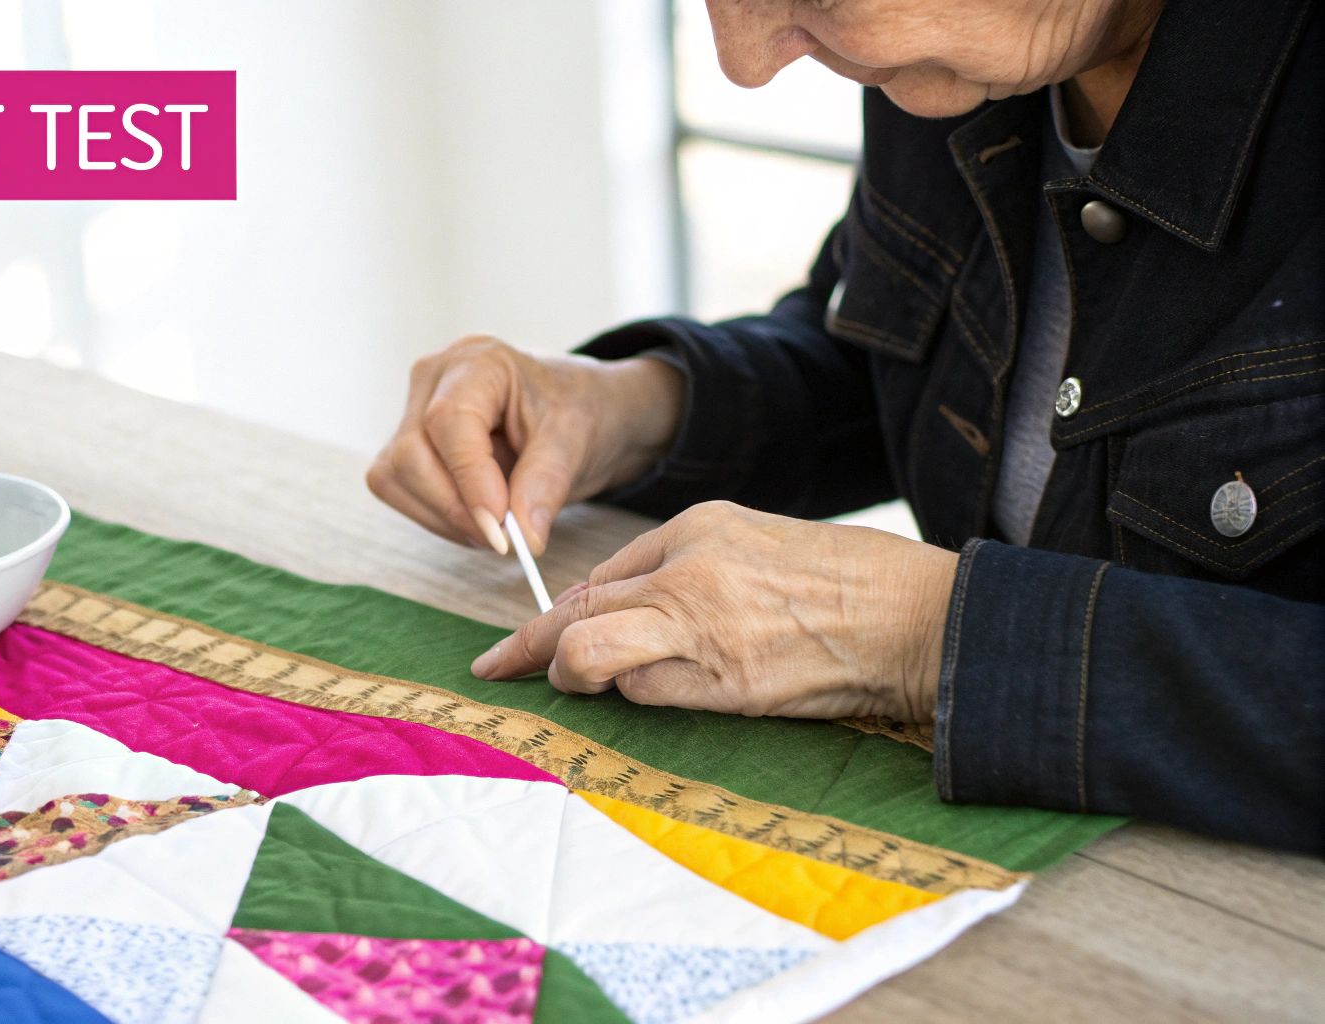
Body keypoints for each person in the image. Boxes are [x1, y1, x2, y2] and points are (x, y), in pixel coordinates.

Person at [367, 0, 1323, 855]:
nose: (746, 60)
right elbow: (902, 354)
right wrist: (633, 408)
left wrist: (923, 634)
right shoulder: (964, 61)